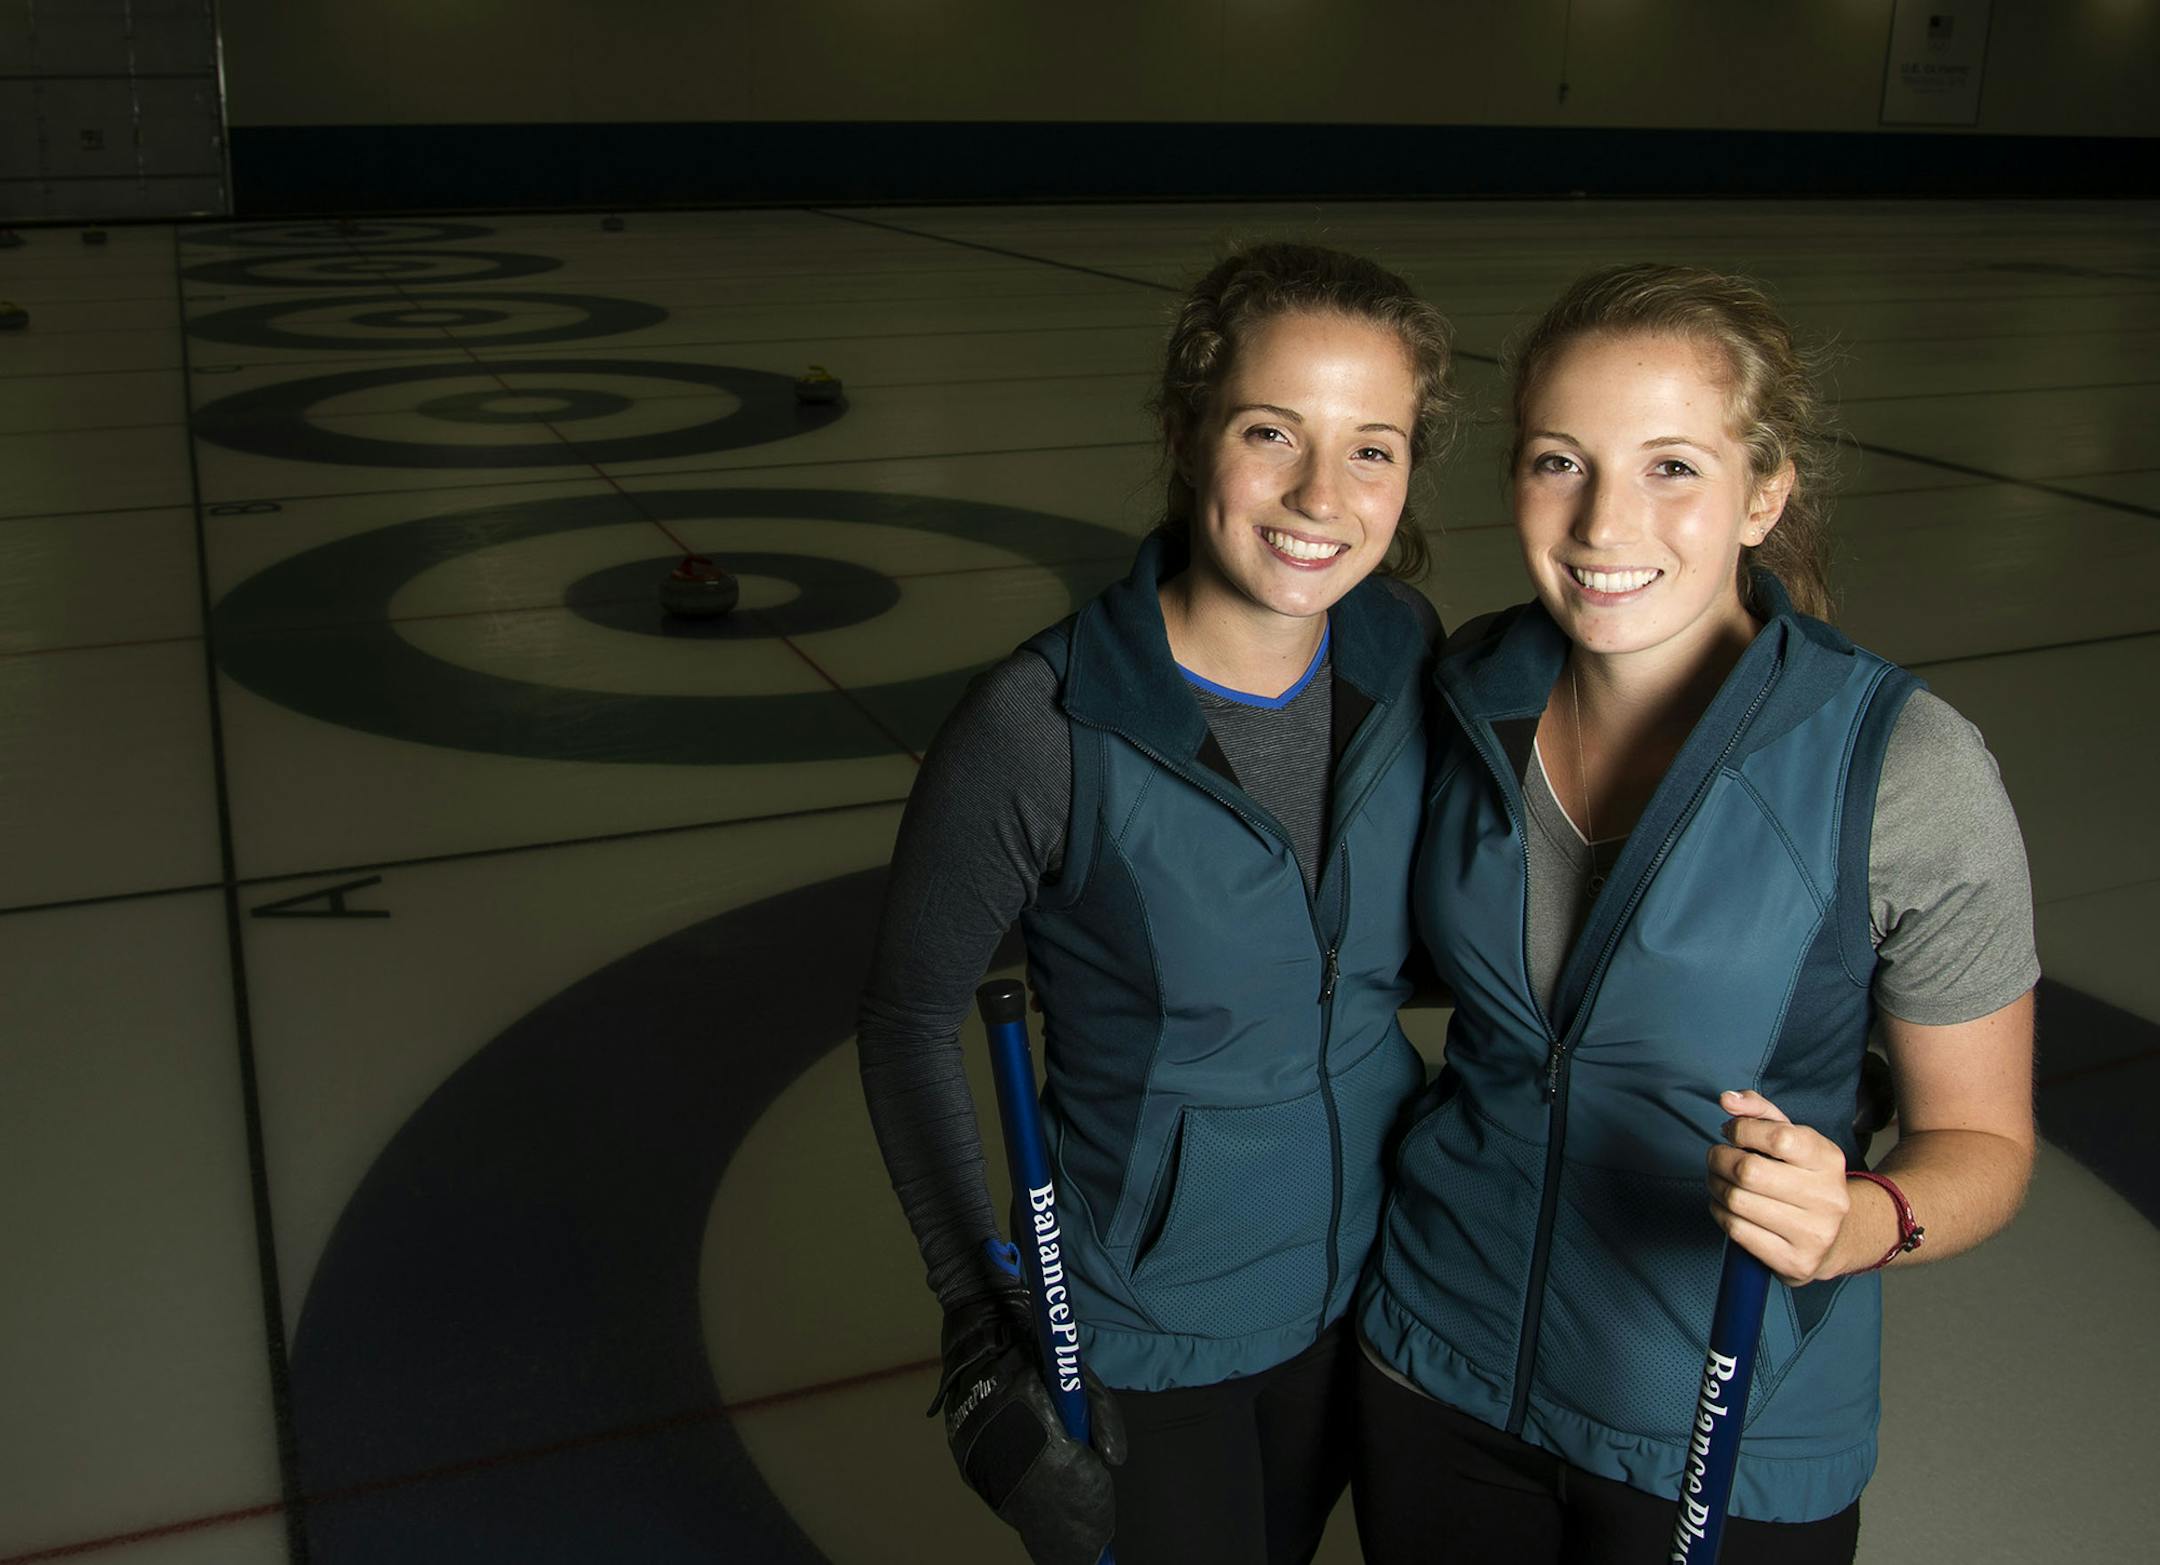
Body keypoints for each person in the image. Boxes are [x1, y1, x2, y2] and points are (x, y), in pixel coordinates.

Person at [1354, 262, 2039, 1565]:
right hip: (1435, 1361)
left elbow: (1985, 1143)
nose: (1608, 522)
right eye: (1563, 461)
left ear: (1763, 491)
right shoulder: (1459, 692)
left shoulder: (1901, 766)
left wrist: (1864, 1216)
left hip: (1725, 1420)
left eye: (1673, 466)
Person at [857, 241, 1461, 1565]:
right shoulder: (1043, 723)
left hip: (1372, 1285)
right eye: (1270, 431)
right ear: (1189, 435)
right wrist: (977, 1310)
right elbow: (905, 1020)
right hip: (1146, 1328)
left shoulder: (1399, 643)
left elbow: (1374, 952)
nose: (1322, 494)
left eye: (1374, 447)